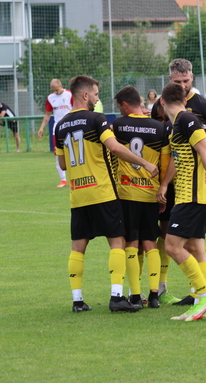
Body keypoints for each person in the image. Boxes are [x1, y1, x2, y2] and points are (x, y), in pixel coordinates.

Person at [55, 75, 158, 314]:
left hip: (78, 194)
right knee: (118, 242)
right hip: (102, 191)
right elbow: (114, 147)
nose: (96, 99)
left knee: (78, 246)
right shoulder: (96, 118)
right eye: (95, 94)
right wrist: (144, 163)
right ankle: (116, 297)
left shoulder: (60, 125)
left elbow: (61, 163)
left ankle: (77, 301)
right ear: (85, 95)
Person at [155, 58, 206, 306]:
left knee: (173, 244)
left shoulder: (192, 116)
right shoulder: (175, 120)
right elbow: (176, 155)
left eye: (186, 81)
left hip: (194, 190)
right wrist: (165, 183)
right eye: (178, 82)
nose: (183, 85)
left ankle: (203, 294)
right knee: (194, 245)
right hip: (182, 190)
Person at [113, 85, 170, 309]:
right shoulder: (159, 127)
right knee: (150, 242)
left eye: (120, 107)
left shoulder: (118, 125)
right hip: (150, 192)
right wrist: (162, 189)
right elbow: (165, 165)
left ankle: (135, 295)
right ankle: (154, 295)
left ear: (126, 105)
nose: (120, 111)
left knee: (131, 242)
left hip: (126, 193)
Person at [37, 79, 73, 188]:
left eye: (57, 90)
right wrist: (41, 127)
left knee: (72, 154)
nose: (56, 92)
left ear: (61, 85)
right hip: (57, 130)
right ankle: (63, 180)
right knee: (58, 155)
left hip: (70, 127)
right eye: (54, 90)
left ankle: (74, 178)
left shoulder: (69, 95)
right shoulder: (50, 98)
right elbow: (48, 114)